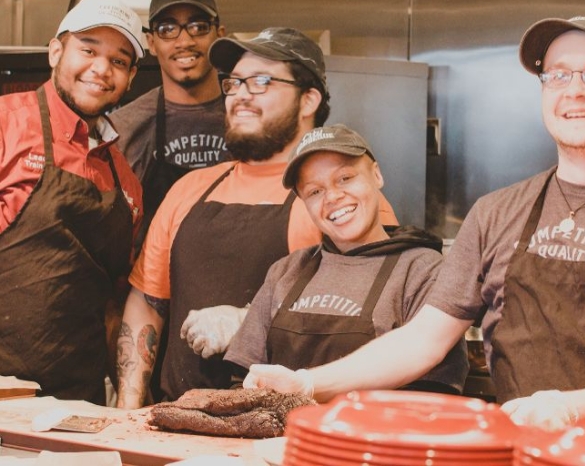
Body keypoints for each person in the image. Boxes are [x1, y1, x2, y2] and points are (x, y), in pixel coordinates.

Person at [243, 15, 585, 429]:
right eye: (557, 75)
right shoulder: (496, 212)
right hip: (519, 449)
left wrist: (576, 405)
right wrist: (306, 383)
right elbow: (422, 341)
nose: (575, 89)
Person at [116, 27, 397, 408]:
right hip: (178, 422)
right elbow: (149, 302)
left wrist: (251, 322)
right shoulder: (190, 188)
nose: (241, 95)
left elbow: (374, 318)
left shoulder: (341, 200)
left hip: (290, 435)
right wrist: (127, 410)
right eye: (234, 83)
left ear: (308, 100)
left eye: (262, 81)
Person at [227, 124, 468, 395]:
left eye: (345, 178)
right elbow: (245, 382)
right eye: (315, 191)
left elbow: (433, 393)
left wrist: (312, 395)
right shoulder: (286, 271)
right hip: (283, 437)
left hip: (376, 436)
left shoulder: (422, 269)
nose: (332, 197)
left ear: (376, 175)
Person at [0, 0, 144, 404]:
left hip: (78, 404)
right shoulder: (6, 124)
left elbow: (114, 304)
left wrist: (127, 399)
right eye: (88, 50)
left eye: (119, 61)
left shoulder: (127, 181)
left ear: (131, 77)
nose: (101, 69)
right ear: (55, 51)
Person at [108, 0, 231, 253]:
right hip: (154, 283)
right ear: (151, 42)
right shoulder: (124, 127)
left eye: (199, 27)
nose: (184, 41)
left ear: (219, 34)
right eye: (167, 29)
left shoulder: (251, 112)